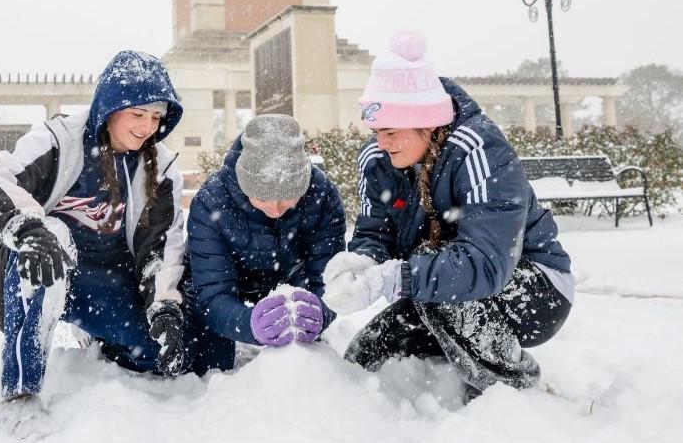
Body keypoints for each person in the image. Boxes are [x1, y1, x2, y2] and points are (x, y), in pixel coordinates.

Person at [322, 31, 573, 400]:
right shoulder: (377, 160)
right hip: (441, 291)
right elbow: (375, 233)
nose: (381, 143)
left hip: (533, 288)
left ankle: (511, 393)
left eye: (390, 131)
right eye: (375, 131)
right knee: (366, 355)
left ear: (426, 122)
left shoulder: (480, 150)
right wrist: (362, 265)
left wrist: (396, 277)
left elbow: (485, 264)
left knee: (431, 270)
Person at [0, 51, 195, 438]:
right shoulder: (58, 140)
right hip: (36, 268)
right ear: (111, 107)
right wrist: (26, 229)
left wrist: (164, 310)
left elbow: (164, 246)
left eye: (156, 118)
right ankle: (19, 397)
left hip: (105, 283)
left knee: (155, 354)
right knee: (51, 237)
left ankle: (97, 341)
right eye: (138, 114)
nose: (147, 127)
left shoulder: (162, 168)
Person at [185, 114, 346, 370]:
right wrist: (249, 324)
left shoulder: (322, 196)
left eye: (288, 198)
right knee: (210, 363)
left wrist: (319, 311)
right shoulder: (211, 202)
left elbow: (330, 279)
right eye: (262, 197)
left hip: (291, 279)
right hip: (228, 283)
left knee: (308, 361)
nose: (275, 209)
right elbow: (213, 295)